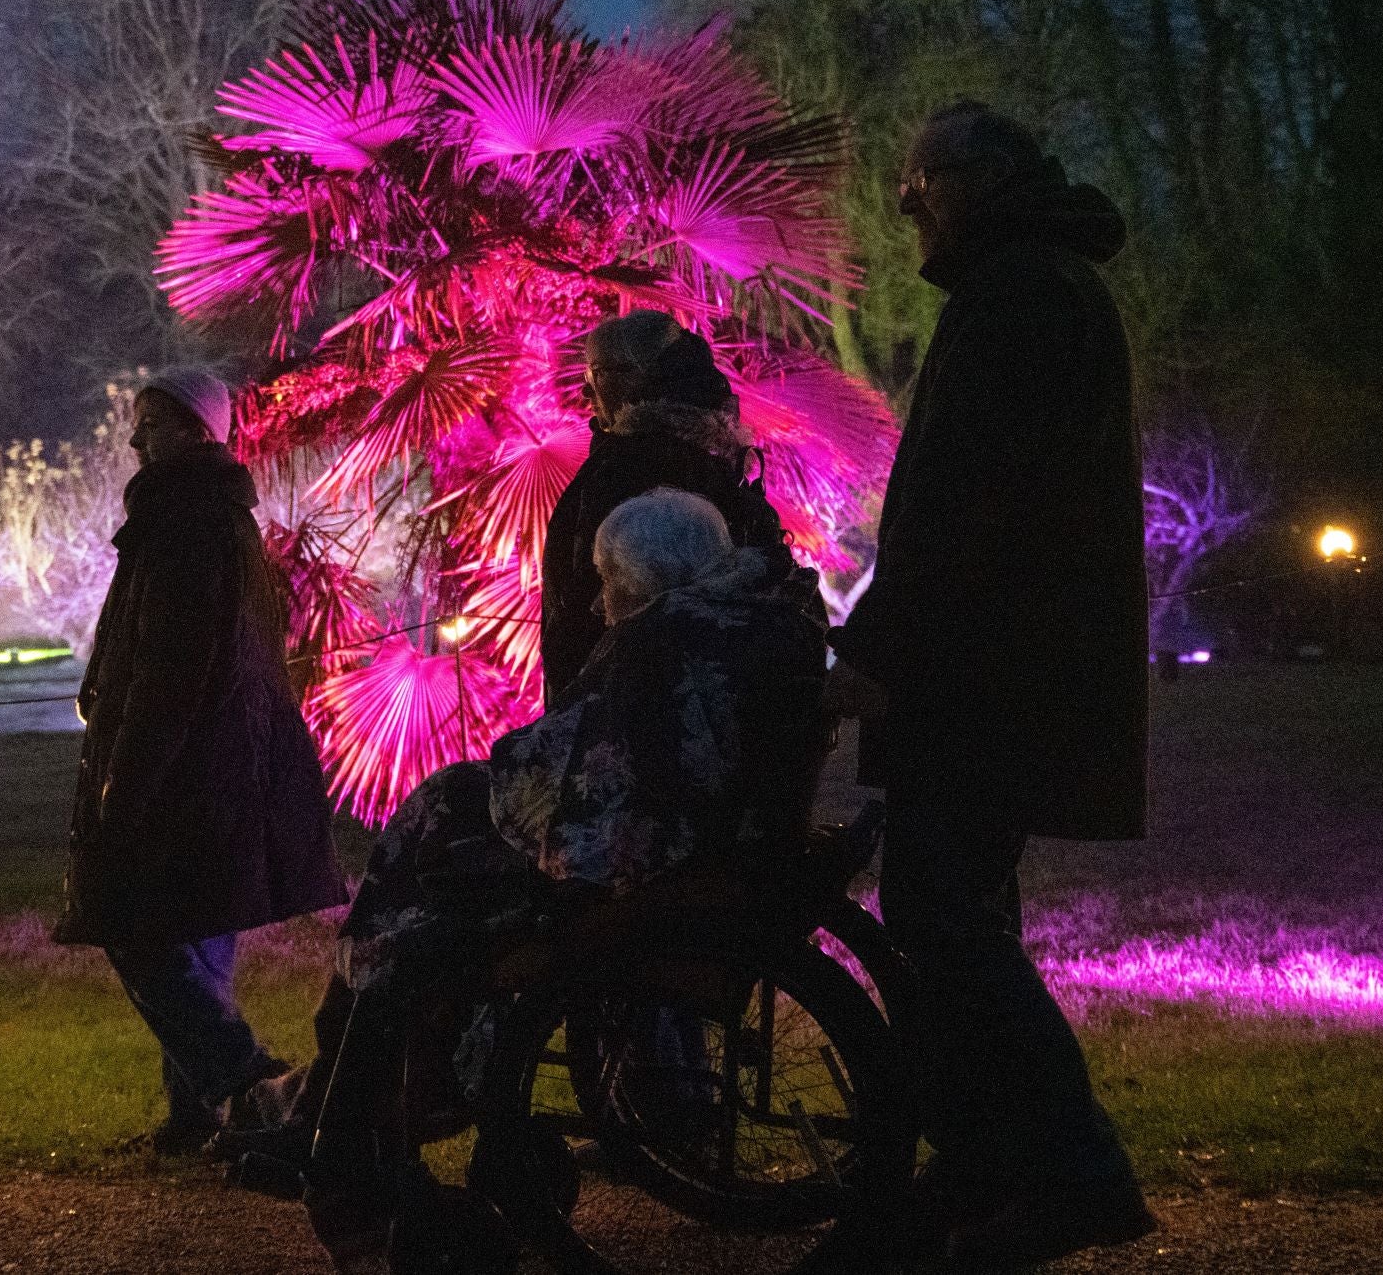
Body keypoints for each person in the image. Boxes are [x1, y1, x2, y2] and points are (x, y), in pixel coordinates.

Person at [243, 491, 825, 1272]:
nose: (597, 599)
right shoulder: (755, 619)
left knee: (411, 924)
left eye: (606, 579)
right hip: (712, 858)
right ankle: (328, 1098)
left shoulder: (660, 643)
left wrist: (502, 783)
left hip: (629, 876)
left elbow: (587, 782)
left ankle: (341, 1138)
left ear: (645, 579)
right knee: (435, 826)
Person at [804, 102, 1158, 1273]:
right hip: (998, 666)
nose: (907, 202)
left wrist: (878, 648)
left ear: (986, 178)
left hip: (988, 674)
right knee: (948, 922)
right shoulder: (1034, 286)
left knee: (949, 926)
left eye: (922, 180)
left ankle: (1072, 1174)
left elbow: (968, 504)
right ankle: (981, 1167)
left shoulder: (1018, 298)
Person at [55, 369, 348, 1157]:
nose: (133, 439)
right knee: (191, 927)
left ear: (191, 428)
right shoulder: (209, 514)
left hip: (194, 769)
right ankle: (200, 1115)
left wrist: (129, 779)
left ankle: (250, 1085)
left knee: (135, 921)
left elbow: (170, 667)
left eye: (148, 423)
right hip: (221, 767)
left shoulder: (184, 521)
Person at [541, 311, 794, 700]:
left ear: (633, 377)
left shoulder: (628, 468)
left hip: (631, 706)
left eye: (595, 375)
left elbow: (591, 610)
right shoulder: (715, 455)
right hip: (711, 700)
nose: (585, 393)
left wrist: (571, 705)